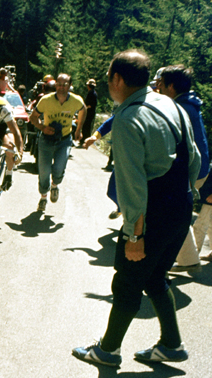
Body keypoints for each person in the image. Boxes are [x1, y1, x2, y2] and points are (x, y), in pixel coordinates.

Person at [73, 49, 200, 367]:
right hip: (182, 206)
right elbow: (195, 158)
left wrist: (134, 235)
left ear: (117, 79)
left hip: (152, 214)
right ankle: (171, 345)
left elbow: (132, 187)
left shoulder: (129, 119)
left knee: (128, 280)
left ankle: (107, 350)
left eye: (108, 79)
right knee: (156, 277)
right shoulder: (169, 104)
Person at [157, 65, 210, 273]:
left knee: (168, 213)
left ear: (171, 86)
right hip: (200, 169)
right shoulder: (190, 104)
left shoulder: (178, 108)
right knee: (175, 212)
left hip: (191, 170)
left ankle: (178, 260)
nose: (157, 87)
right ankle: (189, 259)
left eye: (160, 83)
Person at [29, 73, 86, 212]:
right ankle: (43, 198)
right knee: (44, 171)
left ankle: (55, 185)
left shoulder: (76, 100)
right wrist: (43, 127)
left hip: (64, 140)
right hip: (46, 140)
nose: (61, 87)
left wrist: (79, 129)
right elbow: (33, 117)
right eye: (58, 84)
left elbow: (83, 110)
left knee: (59, 169)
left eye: (64, 84)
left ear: (69, 86)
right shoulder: (45, 100)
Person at [78, 79, 98, 147]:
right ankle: (84, 140)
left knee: (86, 126)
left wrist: (85, 108)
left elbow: (91, 105)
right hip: (89, 112)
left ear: (89, 86)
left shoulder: (92, 93)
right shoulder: (92, 92)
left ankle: (84, 141)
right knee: (86, 126)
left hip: (89, 113)